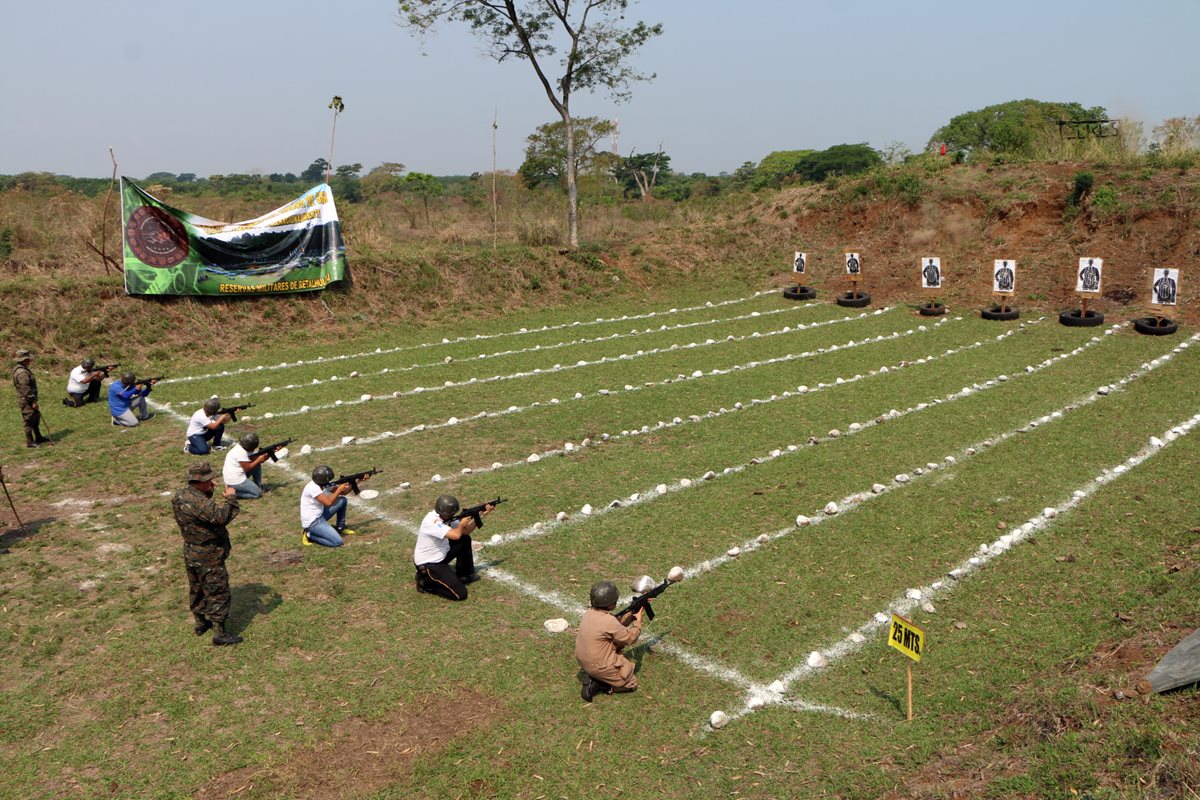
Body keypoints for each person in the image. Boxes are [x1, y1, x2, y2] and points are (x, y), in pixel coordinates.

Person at [171, 463, 242, 646]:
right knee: (217, 591)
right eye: (209, 480)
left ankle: (201, 623)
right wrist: (231, 499)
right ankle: (220, 634)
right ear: (200, 481)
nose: (213, 483)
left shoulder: (180, 496)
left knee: (197, 589)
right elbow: (221, 517)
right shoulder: (200, 503)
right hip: (208, 554)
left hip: (191, 551)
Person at [576, 580, 645, 702]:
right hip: (599, 666)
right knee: (631, 683)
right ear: (610, 603)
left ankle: (595, 676)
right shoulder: (608, 621)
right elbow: (630, 638)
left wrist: (632, 612)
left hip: (583, 661)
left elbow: (616, 625)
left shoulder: (589, 613)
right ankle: (599, 684)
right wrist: (638, 622)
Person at [413, 494, 489, 600]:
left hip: (440, 554)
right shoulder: (432, 521)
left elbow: (465, 531)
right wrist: (461, 524)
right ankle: (427, 583)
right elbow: (456, 535)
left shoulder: (446, 517)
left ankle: (464, 575)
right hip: (429, 563)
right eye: (450, 514)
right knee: (460, 594)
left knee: (465, 539)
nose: (452, 515)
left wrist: (480, 514)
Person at [299, 465, 361, 547]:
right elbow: (328, 503)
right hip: (313, 522)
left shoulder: (324, 484)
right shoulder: (313, 488)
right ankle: (309, 534)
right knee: (337, 542)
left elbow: (344, 492)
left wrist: (358, 481)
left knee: (342, 500)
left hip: (321, 514)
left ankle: (340, 527)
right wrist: (339, 489)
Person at [12, 349, 49, 448]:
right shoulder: (22, 373)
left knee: (35, 418)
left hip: (28, 399)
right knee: (28, 420)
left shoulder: (22, 369)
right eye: (28, 359)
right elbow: (25, 388)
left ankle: (38, 437)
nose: (30, 360)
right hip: (27, 401)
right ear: (24, 360)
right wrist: (32, 401)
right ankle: (30, 441)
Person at [222, 433, 271, 499]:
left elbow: (258, 460)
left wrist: (270, 453)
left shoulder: (240, 448)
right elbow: (247, 468)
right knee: (257, 493)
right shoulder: (241, 452)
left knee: (256, 464)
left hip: (232, 477)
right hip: (235, 481)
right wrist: (258, 460)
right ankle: (232, 493)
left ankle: (257, 485)